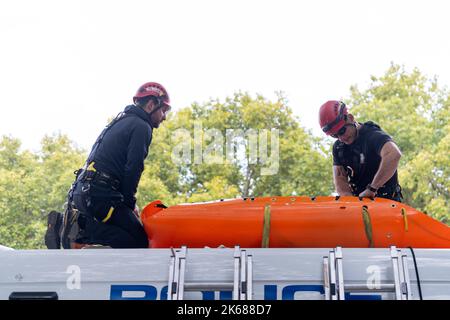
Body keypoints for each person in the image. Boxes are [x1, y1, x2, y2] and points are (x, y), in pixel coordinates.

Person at [60, 82, 171, 249]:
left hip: (84, 193)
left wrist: (126, 204)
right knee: (139, 241)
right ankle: (81, 230)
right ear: (151, 104)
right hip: (101, 195)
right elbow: (133, 168)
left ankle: (81, 229)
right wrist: (128, 203)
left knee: (124, 235)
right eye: (163, 110)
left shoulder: (120, 121)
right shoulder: (142, 126)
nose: (164, 117)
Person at [319, 100, 403, 201]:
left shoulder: (372, 135)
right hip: (361, 205)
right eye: (334, 135)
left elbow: (393, 154)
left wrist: (372, 188)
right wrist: (351, 202)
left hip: (388, 203)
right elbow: (340, 180)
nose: (341, 138)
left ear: (350, 118)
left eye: (342, 131)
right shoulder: (339, 148)